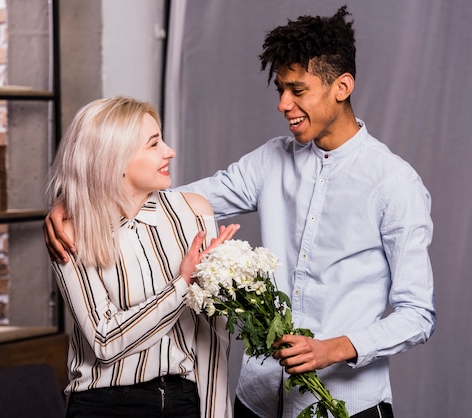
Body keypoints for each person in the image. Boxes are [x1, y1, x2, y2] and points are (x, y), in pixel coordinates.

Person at [44, 6, 436, 418]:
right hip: (258, 401)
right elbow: (161, 199)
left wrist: (333, 348)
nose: (284, 104)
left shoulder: (395, 183)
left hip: (346, 405)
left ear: (341, 86)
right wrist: (76, 202)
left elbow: (417, 313)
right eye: (280, 89)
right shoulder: (270, 160)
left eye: (297, 90)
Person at [46, 96, 239, 418]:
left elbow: (212, 333)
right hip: (103, 407)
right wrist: (183, 283)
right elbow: (104, 341)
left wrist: (218, 413)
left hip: (183, 402)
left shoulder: (194, 212)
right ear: (114, 159)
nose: (169, 151)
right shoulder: (71, 230)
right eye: (154, 144)